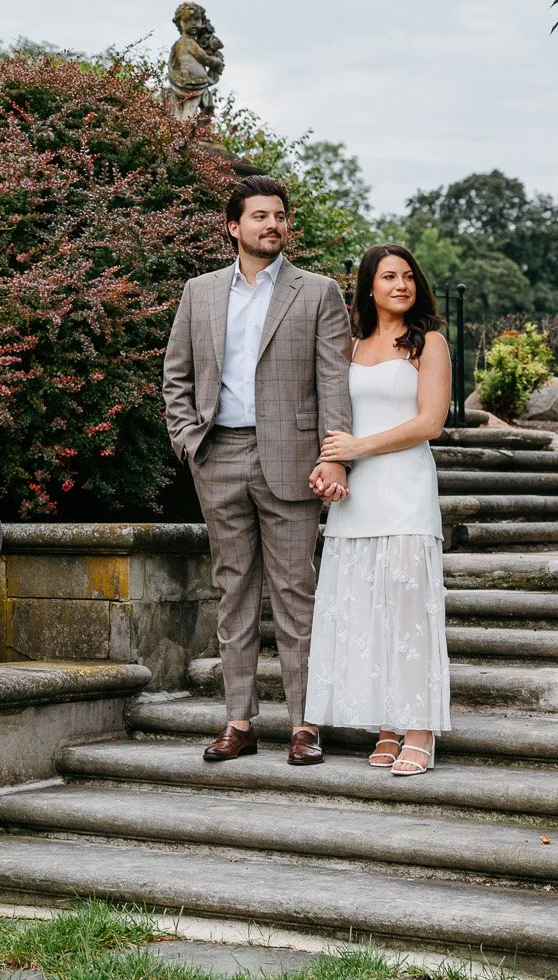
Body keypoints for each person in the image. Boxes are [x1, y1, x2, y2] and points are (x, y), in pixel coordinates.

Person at [162, 176, 354, 767]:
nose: (272, 225)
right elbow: (177, 375)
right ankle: (239, 721)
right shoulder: (199, 292)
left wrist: (333, 456)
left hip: (294, 461)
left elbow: (333, 382)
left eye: (279, 216)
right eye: (259, 216)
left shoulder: (317, 292)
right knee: (233, 593)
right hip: (218, 456)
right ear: (233, 226)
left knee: (298, 596)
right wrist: (190, 443)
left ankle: (304, 725)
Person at [305, 243, 452, 776]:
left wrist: (357, 449)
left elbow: (430, 422)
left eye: (409, 276)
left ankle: (419, 730)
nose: (401, 285)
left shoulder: (428, 343)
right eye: (389, 276)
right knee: (366, 607)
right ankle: (387, 723)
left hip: (406, 489)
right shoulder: (347, 348)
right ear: (368, 286)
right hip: (356, 497)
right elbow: (333, 418)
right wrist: (332, 465)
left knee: (409, 607)